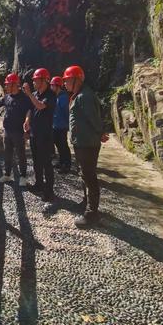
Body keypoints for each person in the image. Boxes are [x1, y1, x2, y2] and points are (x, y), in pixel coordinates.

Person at [63, 65, 109, 227]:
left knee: (89, 177)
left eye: (67, 80)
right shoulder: (79, 95)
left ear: (77, 80)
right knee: (84, 174)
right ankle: (86, 203)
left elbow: (94, 118)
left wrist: (101, 132)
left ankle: (92, 214)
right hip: (81, 142)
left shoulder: (85, 96)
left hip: (87, 143)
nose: (65, 83)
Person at [0, 73, 32, 186]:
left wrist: (27, 124)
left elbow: (29, 111)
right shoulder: (7, 97)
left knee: (21, 154)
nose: (6, 87)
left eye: (8, 85)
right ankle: (7, 175)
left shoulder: (24, 98)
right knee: (7, 154)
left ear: (15, 85)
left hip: (19, 132)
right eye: (6, 85)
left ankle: (23, 177)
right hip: (7, 131)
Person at [23, 68, 56, 203]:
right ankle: (39, 184)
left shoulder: (51, 95)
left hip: (45, 135)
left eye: (36, 80)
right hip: (34, 133)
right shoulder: (36, 93)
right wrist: (27, 120)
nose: (34, 82)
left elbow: (41, 106)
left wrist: (30, 94)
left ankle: (49, 191)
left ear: (44, 81)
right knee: (36, 161)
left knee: (46, 163)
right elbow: (31, 108)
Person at [50, 76, 72, 174]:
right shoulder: (56, 96)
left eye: (52, 85)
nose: (51, 87)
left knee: (63, 145)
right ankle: (62, 161)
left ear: (57, 86)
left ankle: (66, 165)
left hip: (62, 126)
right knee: (59, 144)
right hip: (56, 125)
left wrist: (68, 125)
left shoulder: (63, 98)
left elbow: (66, 112)